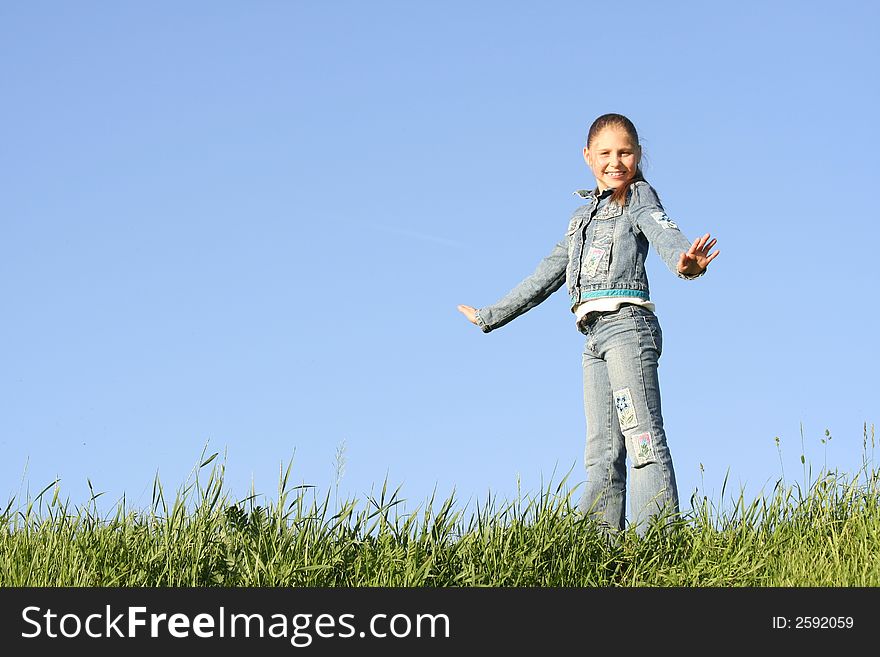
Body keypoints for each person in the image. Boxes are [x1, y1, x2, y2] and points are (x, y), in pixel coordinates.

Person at [457, 113, 719, 537]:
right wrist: (492, 315)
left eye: (626, 152)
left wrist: (685, 265)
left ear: (637, 156)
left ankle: (657, 540)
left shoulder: (638, 197)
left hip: (628, 329)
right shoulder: (580, 219)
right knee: (601, 450)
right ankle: (598, 548)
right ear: (587, 156)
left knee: (641, 437)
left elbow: (662, 230)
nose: (616, 161)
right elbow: (546, 274)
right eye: (605, 153)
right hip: (593, 337)